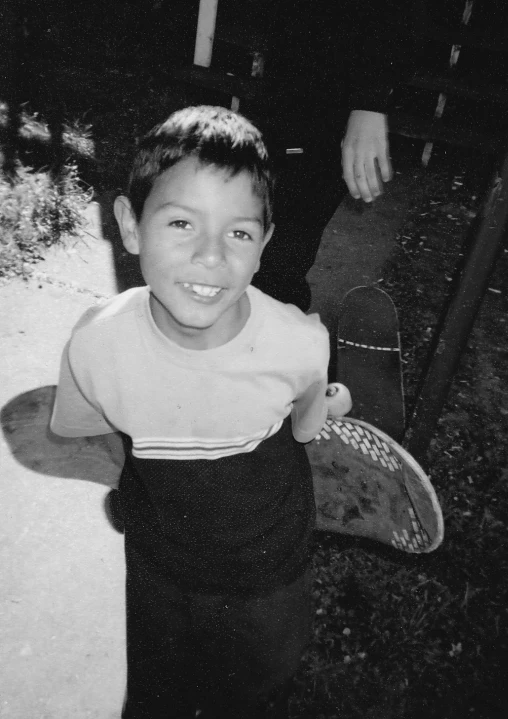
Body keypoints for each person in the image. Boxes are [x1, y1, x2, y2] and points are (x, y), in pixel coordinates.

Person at [50, 105, 351, 718]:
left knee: (248, 693)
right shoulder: (94, 345)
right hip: (157, 563)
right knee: (157, 689)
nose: (212, 255)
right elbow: (90, 438)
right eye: (182, 222)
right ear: (130, 226)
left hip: (267, 573)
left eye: (239, 232)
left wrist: (323, 403)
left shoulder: (298, 342)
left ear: (265, 245)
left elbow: (303, 429)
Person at [247, 0, 418, 310]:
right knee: (256, 237)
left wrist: (370, 100)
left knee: (281, 253)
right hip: (288, 81)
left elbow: (397, 14)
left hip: (330, 97)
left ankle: (274, 335)